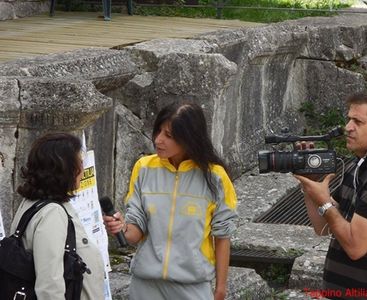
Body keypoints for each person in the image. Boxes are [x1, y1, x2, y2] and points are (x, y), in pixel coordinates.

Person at [103, 102, 238, 300]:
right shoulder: (144, 168)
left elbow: (223, 236)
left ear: (190, 139)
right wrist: (121, 228)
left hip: (192, 285)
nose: (158, 140)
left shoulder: (215, 177)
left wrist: (220, 288)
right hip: (145, 285)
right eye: (158, 131)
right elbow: (135, 232)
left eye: (169, 135)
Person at [295, 92, 367, 299]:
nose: (348, 127)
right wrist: (310, 184)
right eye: (349, 119)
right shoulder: (359, 167)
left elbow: (355, 247)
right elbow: (324, 227)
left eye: (358, 121)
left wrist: (324, 201)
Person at [10, 132, 105, 300]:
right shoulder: (52, 214)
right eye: (79, 163)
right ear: (64, 169)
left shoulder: (31, 202)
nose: (83, 170)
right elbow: (49, 287)